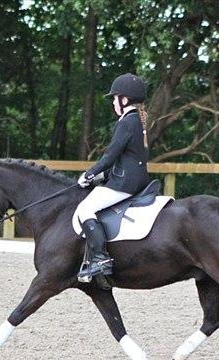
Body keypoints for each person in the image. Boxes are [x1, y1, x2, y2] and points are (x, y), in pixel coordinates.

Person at [75, 73, 151, 281]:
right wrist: (103, 176)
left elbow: (110, 156)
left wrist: (88, 175)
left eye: (114, 98)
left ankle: (100, 258)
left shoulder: (126, 123)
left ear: (124, 100)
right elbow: (127, 158)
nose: (113, 103)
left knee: (85, 209)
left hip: (125, 183)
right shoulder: (136, 121)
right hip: (135, 179)